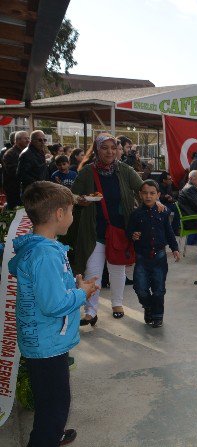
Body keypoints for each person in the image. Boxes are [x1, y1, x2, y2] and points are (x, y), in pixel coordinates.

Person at [8, 181, 99, 447]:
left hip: (43, 339)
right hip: (47, 343)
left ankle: (51, 433)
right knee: (55, 407)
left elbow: (46, 291)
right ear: (59, 214)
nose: (72, 216)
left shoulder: (41, 248)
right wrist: (81, 293)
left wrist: (74, 286)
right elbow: (54, 304)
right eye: (71, 211)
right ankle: (46, 438)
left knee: (49, 400)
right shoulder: (45, 254)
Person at [65, 133, 145, 324]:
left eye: (113, 147)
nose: (110, 151)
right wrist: (81, 201)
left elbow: (142, 189)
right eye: (104, 148)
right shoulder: (86, 172)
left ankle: (117, 303)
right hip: (94, 230)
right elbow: (72, 196)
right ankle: (91, 311)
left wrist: (151, 205)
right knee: (93, 271)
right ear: (97, 150)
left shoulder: (125, 170)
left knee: (117, 269)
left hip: (119, 230)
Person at [127, 180, 180, 328]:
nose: (148, 196)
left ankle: (157, 316)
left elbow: (169, 232)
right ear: (140, 194)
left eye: (152, 193)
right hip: (142, 258)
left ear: (158, 194)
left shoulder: (163, 212)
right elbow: (129, 231)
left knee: (158, 290)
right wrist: (133, 234)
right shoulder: (136, 214)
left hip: (159, 258)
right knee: (140, 288)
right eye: (145, 193)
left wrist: (174, 248)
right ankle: (148, 307)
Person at [17, 130, 49, 195]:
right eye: (40, 140)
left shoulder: (40, 151)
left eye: (44, 140)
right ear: (32, 141)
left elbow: (42, 170)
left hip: (40, 189)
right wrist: (37, 184)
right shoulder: (26, 154)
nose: (43, 142)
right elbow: (21, 174)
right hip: (31, 191)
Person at [2, 130, 29, 209]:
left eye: (28, 138)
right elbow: (14, 172)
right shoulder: (10, 154)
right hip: (14, 189)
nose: (28, 140)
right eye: (25, 138)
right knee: (15, 211)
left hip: (24, 188)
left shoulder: (26, 152)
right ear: (17, 140)